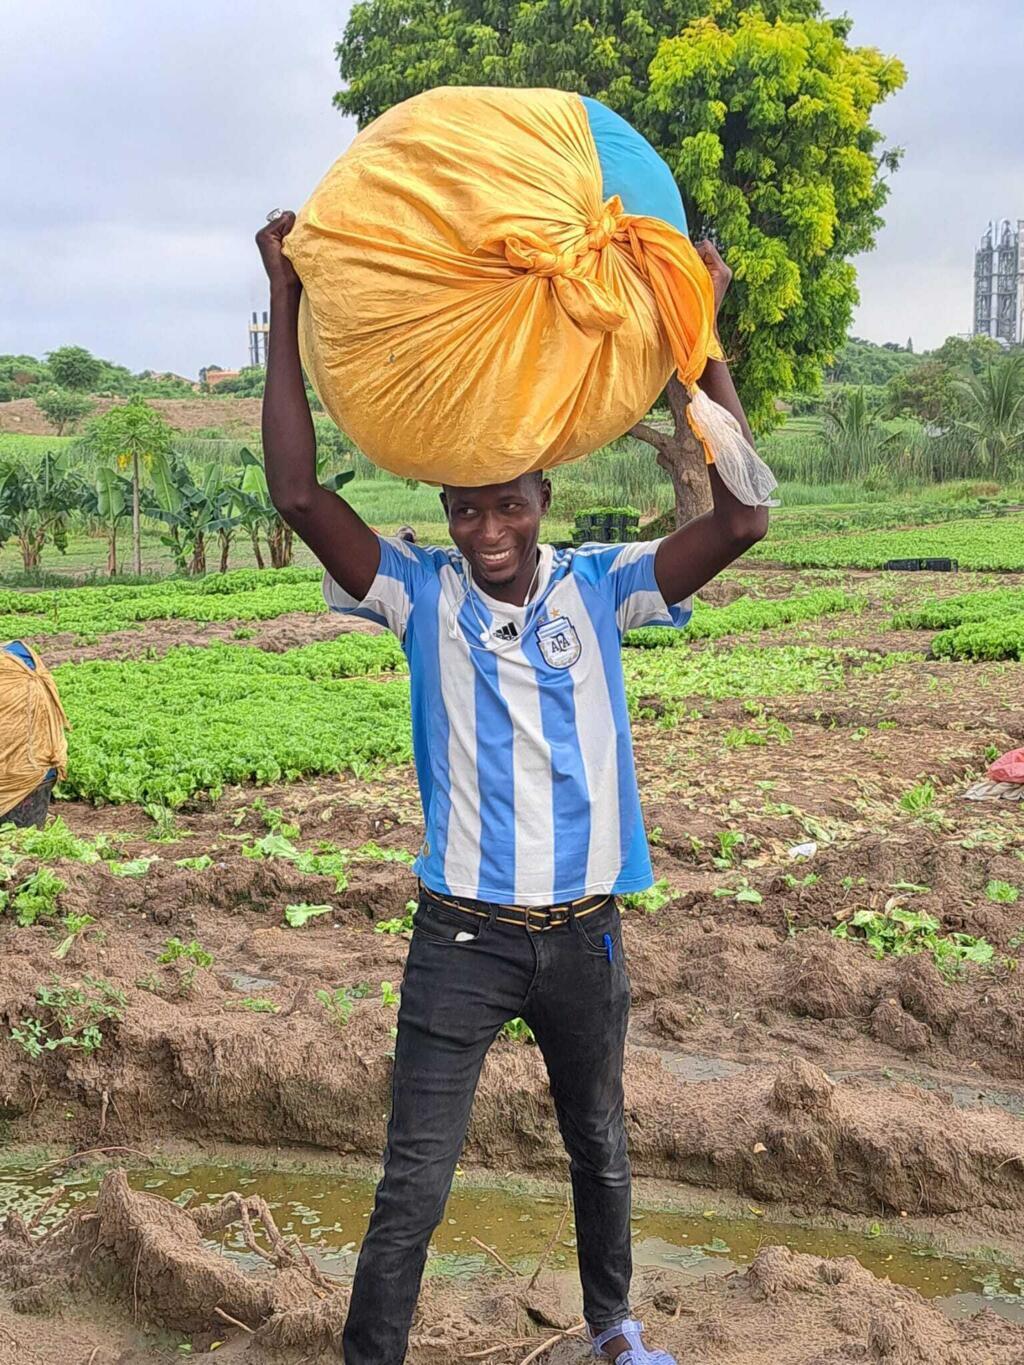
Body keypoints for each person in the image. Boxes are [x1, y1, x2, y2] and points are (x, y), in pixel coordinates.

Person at [256, 209, 769, 1365]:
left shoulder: (606, 587)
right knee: (415, 1180)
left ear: (543, 495)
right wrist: (284, 299)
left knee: (599, 1143)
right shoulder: (412, 592)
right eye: (464, 507)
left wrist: (698, 334)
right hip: (463, 941)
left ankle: (613, 1328)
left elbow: (742, 513)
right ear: (444, 514)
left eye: (508, 502)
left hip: (585, 937)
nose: (487, 527)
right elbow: (297, 496)